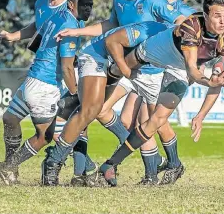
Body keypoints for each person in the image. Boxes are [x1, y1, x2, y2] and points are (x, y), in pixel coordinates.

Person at [54, 0, 187, 183]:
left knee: (153, 121)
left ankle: (158, 168)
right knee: (100, 109)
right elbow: (110, 25)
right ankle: (126, 158)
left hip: (150, 69)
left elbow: (182, 20)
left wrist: (186, 36)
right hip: (126, 65)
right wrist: (76, 32)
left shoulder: (154, 1)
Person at [99, 0, 224, 186]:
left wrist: (200, 116)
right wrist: (209, 81)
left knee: (157, 119)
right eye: (217, 16)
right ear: (206, 15)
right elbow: (193, 69)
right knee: (121, 69)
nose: (223, 21)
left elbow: (217, 81)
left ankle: (110, 165)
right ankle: (90, 92)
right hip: (161, 50)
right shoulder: (192, 26)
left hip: (180, 69)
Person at [41, 20, 172, 186]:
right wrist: (125, 70)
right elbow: (111, 41)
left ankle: (84, 169)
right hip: (97, 56)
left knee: (95, 110)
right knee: (90, 111)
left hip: (114, 64)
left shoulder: (177, 42)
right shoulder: (155, 32)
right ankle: (52, 162)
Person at [0, 0, 84, 186]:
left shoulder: (62, 16)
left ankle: (81, 169)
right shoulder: (48, 9)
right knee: (47, 135)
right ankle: (9, 168)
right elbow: (64, 62)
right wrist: (76, 93)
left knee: (10, 117)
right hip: (46, 83)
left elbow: (40, 40)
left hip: (34, 78)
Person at [52, 0, 98, 187]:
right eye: (85, 5)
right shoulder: (70, 23)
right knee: (51, 131)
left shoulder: (67, 20)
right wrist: (74, 93)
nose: (89, 10)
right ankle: (84, 167)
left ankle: (81, 172)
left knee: (79, 124)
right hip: (51, 82)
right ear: (72, 4)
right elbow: (66, 67)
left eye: (91, 6)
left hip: (45, 78)